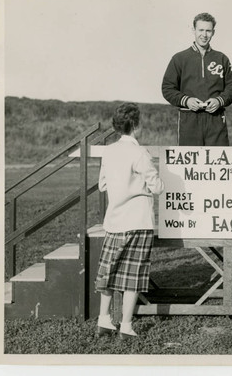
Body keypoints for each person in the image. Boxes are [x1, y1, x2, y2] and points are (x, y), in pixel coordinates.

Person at [95, 102, 164, 339]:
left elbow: (102, 184)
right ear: (135, 124)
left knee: (109, 272)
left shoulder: (109, 151)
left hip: (114, 220)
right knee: (132, 275)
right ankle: (125, 324)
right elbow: (157, 187)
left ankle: (103, 319)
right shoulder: (140, 153)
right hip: (138, 220)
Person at [162, 12, 232, 146]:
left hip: (216, 118)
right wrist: (186, 100)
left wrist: (219, 101)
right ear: (193, 30)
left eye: (208, 30)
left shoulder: (221, 58)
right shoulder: (179, 58)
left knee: (218, 162)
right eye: (201, 30)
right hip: (189, 118)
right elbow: (167, 88)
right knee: (189, 164)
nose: (204, 34)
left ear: (213, 32)